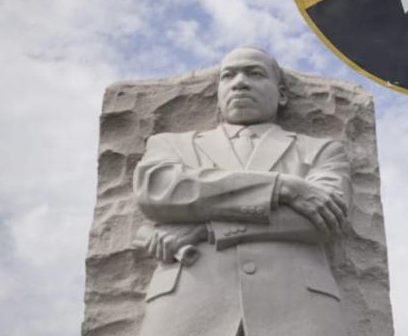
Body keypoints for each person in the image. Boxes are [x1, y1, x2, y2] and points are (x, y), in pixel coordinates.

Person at [133, 47, 351, 336]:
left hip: (298, 308)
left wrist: (205, 228)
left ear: (282, 94)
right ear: (218, 94)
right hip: (188, 305)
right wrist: (282, 187)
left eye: (255, 73)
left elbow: (322, 219)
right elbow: (158, 191)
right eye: (228, 76)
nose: (239, 82)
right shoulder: (172, 145)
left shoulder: (321, 150)